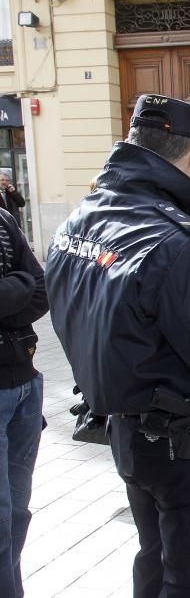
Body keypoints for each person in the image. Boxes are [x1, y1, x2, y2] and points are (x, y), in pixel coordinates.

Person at [45, 94, 190, 598]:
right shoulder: (177, 239)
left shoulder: (78, 220)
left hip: (128, 431)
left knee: (154, 558)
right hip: (188, 441)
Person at [0, 207, 47, 598]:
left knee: (17, 513)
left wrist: (18, 285)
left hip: (25, 385)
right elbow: (26, 286)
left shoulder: (2, 219)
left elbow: (42, 289)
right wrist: (17, 285)